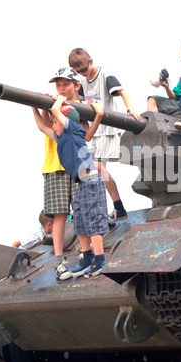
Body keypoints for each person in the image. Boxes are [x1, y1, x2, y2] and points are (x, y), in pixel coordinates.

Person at [32, 93, 109, 281]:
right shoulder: (61, 138)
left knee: (92, 222)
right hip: (81, 183)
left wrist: (59, 98)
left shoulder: (73, 130)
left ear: (65, 122)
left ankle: (99, 260)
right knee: (80, 222)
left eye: (56, 122)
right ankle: (87, 258)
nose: (53, 125)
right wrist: (33, 106)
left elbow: (57, 110)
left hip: (90, 181)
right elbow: (42, 126)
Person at [68, 47, 142, 221]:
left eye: (84, 70)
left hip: (108, 130)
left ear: (91, 62)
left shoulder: (104, 75)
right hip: (93, 132)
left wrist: (130, 109)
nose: (82, 74)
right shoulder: (82, 83)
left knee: (98, 168)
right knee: (87, 171)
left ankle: (118, 207)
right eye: (78, 72)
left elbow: (122, 92)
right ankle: (103, 209)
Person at [40, 67, 83, 271]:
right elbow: (43, 125)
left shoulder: (78, 108)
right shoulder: (52, 104)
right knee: (59, 213)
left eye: (66, 84)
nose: (61, 88)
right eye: (58, 85)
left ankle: (86, 250)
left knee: (81, 209)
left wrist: (57, 101)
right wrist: (40, 103)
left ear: (76, 85)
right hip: (55, 165)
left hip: (75, 164)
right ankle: (58, 259)